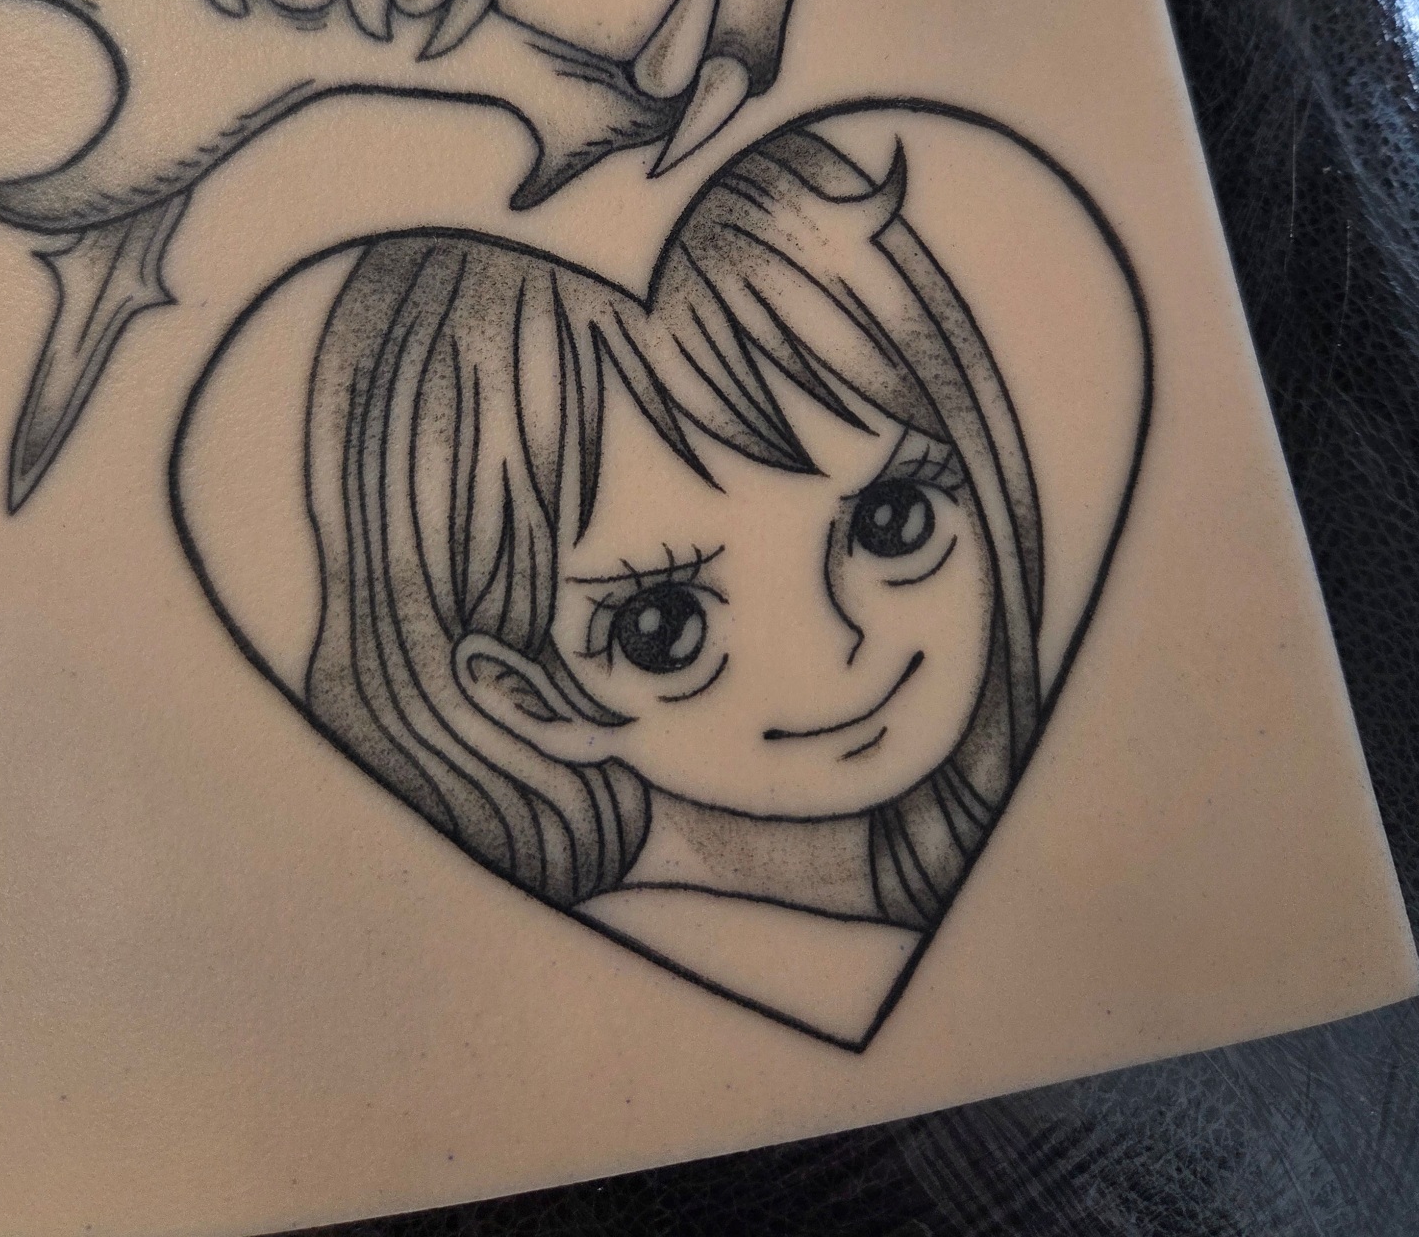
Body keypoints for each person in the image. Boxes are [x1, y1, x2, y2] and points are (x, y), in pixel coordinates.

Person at [303, 123, 1043, 1001]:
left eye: (893, 521)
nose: (840, 645)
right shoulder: (623, 956)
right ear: (525, 697)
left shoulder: (979, 870)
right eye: (664, 627)